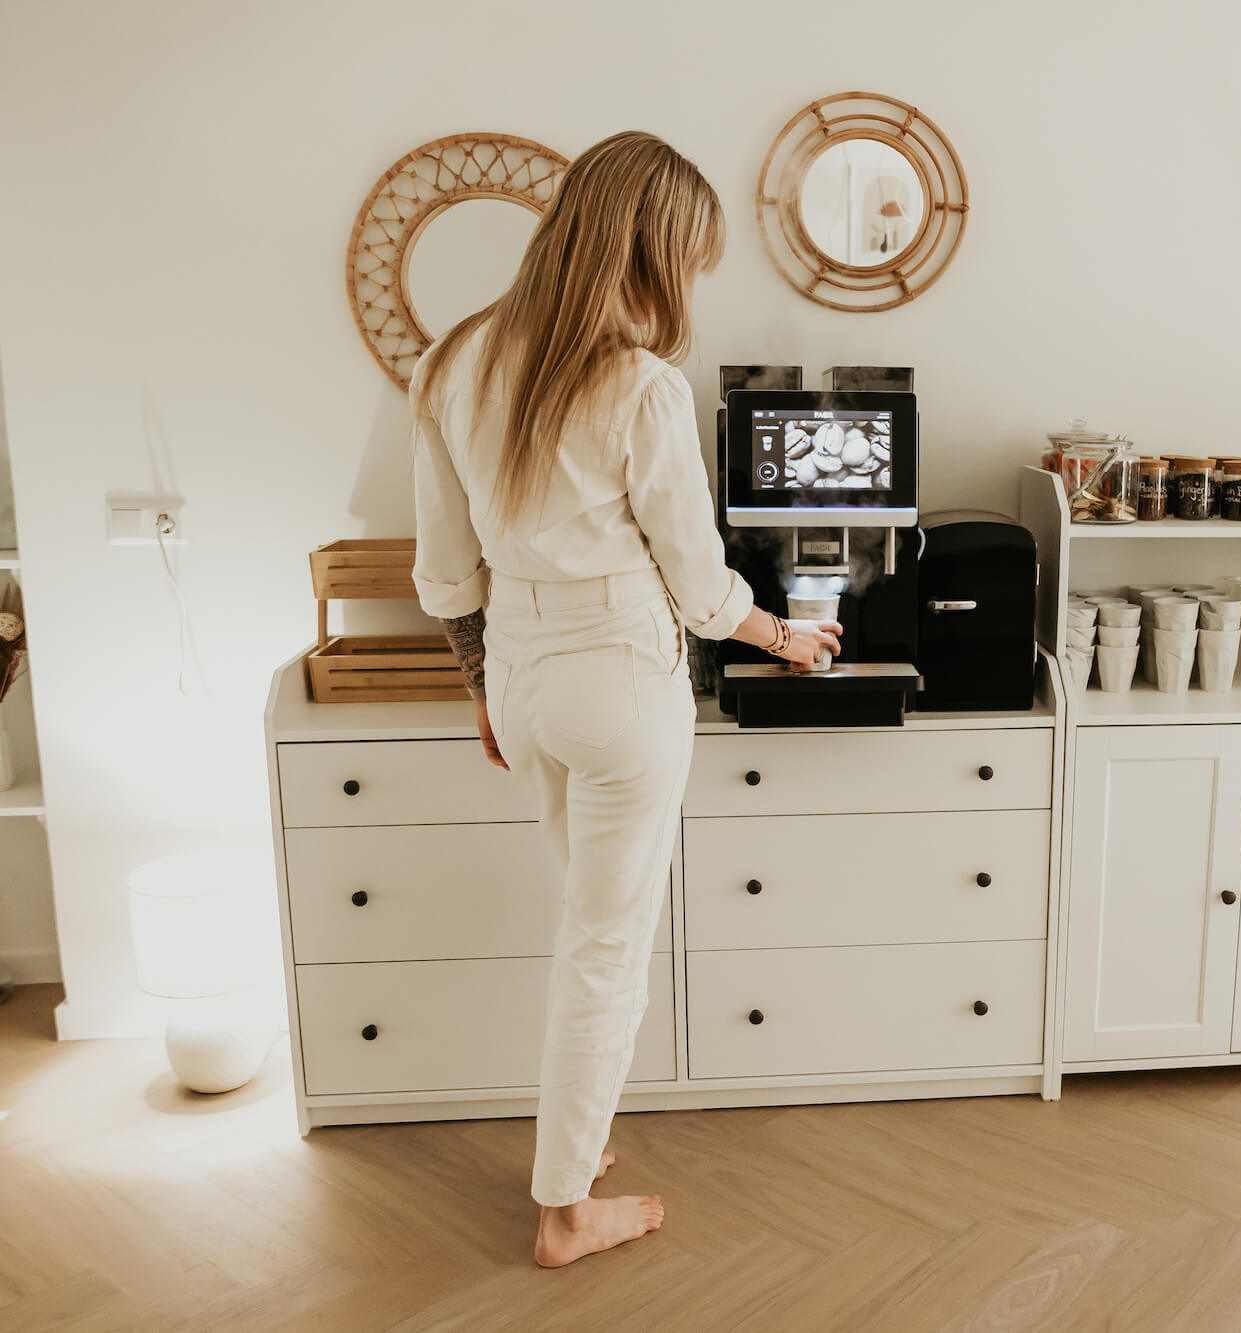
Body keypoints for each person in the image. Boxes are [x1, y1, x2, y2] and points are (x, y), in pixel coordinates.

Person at [409, 130, 840, 1267]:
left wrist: (482, 692)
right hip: (616, 681)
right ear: (648, 251)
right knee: (606, 945)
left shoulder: (450, 359)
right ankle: (562, 1209)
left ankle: (577, 1139)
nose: (690, 283)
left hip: (518, 668)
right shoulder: (639, 385)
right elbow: (700, 587)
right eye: (690, 257)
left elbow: (446, 563)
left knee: (582, 922)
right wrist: (786, 635)